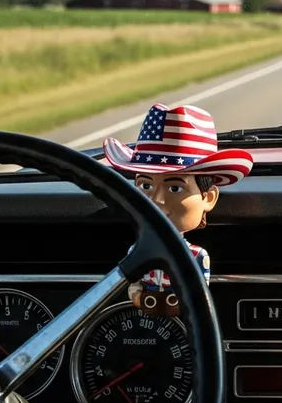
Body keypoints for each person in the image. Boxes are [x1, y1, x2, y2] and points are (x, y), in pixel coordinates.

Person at [103, 102, 254, 316]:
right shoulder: (134, 253)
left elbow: (199, 292)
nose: (155, 199)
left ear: (208, 198)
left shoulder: (196, 256)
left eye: (175, 187)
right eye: (145, 185)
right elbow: (132, 284)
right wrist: (137, 294)